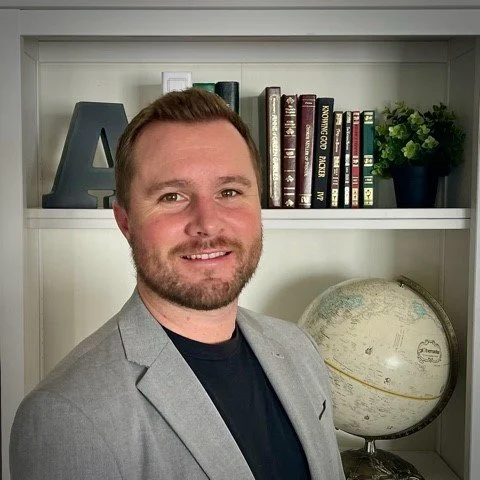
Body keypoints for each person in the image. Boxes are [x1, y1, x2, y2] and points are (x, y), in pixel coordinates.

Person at [10, 88, 345, 480]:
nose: (208, 223)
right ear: (126, 222)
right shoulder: (67, 417)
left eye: (230, 192)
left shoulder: (299, 349)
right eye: (172, 196)